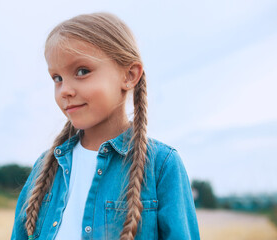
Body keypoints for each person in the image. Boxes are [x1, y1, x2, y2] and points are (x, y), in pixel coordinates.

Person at [11, 12, 200, 240]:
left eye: (82, 71)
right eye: (57, 78)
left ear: (129, 75)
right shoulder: (46, 166)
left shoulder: (162, 166)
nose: (65, 91)